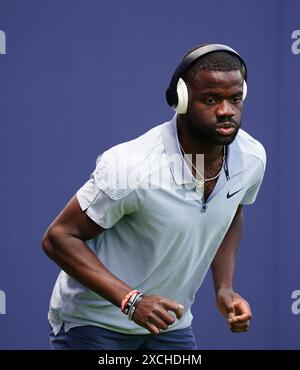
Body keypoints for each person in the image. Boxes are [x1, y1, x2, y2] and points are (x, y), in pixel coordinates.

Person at [42, 43, 266, 350]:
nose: (226, 110)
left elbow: (231, 213)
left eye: (235, 98)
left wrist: (224, 288)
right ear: (181, 100)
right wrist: (131, 301)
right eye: (211, 99)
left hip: (169, 325)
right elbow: (59, 237)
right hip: (94, 325)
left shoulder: (252, 158)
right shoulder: (131, 166)